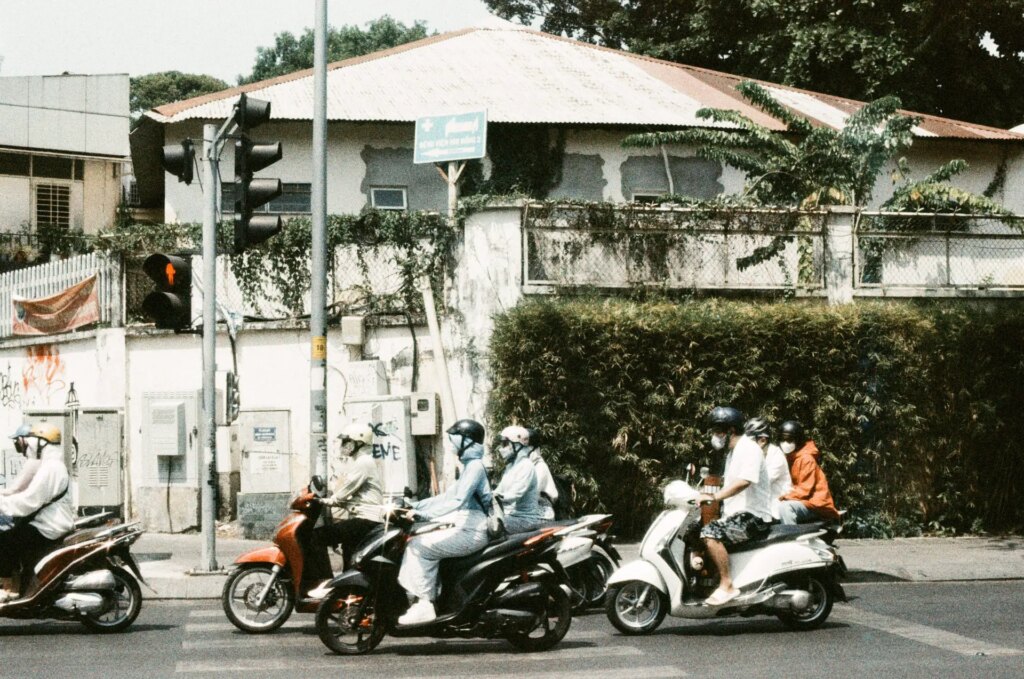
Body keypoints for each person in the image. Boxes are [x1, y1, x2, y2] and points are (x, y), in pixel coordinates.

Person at [397, 419, 491, 625]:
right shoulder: (469, 466)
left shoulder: (474, 467)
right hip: (465, 524)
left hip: (472, 529)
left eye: (454, 440)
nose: (451, 445)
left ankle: (424, 604)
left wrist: (423, 515)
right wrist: (415, 506)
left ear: (466, 441)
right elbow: (446, 498)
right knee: (418, 537)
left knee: (418, 547)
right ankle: (433, 595)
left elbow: (457, 501)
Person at [697, 407, 772, 606]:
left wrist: (715, 498)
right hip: (737, 514)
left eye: (718, 431)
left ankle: (727, 584)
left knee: (709, 533)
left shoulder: (750, 448)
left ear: (730, 430)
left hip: (753, 516)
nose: (715, 436)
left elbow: (744, 481)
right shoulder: (733, 452)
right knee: (693, 532)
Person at [0, 424, 74, 601]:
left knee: (5, 540)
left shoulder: (52, 468)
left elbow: (30, 500)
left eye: (32, 441)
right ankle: (20, 581)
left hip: (49, 526)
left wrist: (3, 505)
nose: (29, 445)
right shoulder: (50, 465)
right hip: (46, 522)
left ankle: (9, 589)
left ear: (42, 443)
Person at [311, 422, 384, 575]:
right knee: (348, 548)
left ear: (358, 442)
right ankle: (345, 585)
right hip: (364, 517)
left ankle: (323, 579)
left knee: (316, 537)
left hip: (366, 519)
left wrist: (328, 500)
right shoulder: (362, 461)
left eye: (346, 441)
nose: (343, 445)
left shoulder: (363, 462)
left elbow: (345, 491)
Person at [777, 420, 840, 524]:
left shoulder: (806, 459)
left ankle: (791, 538)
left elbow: (804, 490)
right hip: (803, 501)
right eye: (782, 440)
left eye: (789, 440)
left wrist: (783, 497)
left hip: (815, 504)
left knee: (785, 508)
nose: (785, 444)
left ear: (798, 441)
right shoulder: (789, 457)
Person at [494, 426, 544, 534]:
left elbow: (515, 494)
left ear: (517, 444)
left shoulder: (526, 465)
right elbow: (499, 490)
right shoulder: (510, 467)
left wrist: (495, 497)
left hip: (525, 519)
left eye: (505, 444)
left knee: (486, 529)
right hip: (510, 516)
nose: (501, 448)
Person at [744, 417, 792, 521]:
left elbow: (761, 482)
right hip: (760, 508)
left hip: (776, 510)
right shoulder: (754, 455)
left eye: (750, 440)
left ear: (762, 440)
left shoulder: (776, 455)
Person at [526, 428, 559, 521]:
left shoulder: (540, 467)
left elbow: (531, 495)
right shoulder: (526, 467)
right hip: (528, 512)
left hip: (543, 514)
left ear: (532, 447)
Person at [1, 425, 40, 497]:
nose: (17, 443)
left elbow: (16, 489)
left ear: (23, 440)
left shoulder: (33, 461)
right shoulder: (37, 457)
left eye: (17, 440)